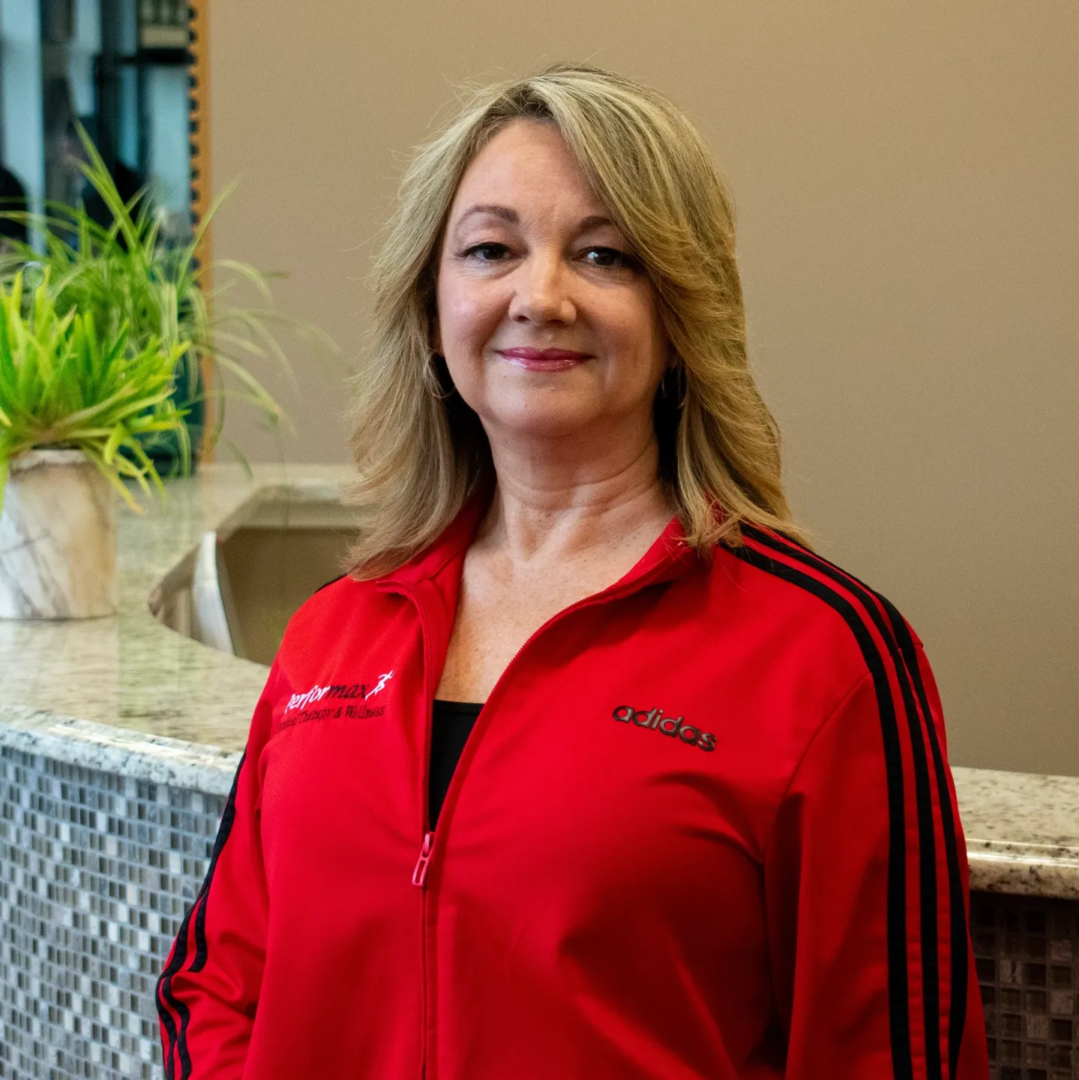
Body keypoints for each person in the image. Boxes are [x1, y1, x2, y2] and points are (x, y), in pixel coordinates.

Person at [156, 64, 989, 1078]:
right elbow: (220, 985)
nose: (538, 297)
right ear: (431, 309)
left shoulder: (827, 658)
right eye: (490, 250)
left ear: (681, 318)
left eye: (603, 256)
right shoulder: (334, 631)